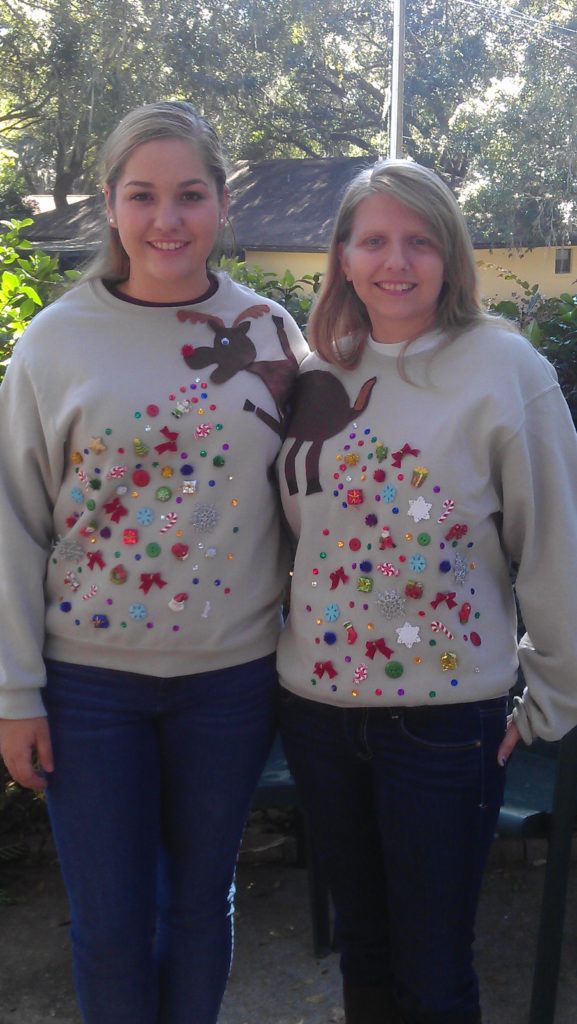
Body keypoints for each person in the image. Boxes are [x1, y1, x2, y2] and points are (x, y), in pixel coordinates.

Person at [0, 100, 308, 1024]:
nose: (166, 218)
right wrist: (14, 691)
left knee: (200, 908)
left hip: (232, 683)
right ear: (110, 203)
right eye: (142, 195)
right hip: (89, 689)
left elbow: (315, 501)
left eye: (189, 194)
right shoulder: (56, 341)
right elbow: (12, 520)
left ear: (221, 203)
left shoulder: (270, 331)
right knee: (109, 925)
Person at [275, 159, 577, 1024]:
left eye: (419, 241)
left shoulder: (503, 368)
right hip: (317, 715)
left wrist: (548, 699)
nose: (394, 261)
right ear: (340, 255)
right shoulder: (314, 373)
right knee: (363, 952)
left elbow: (554, 543)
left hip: (447, 726)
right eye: (373, 240)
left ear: (450, 256)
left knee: (434, 962)